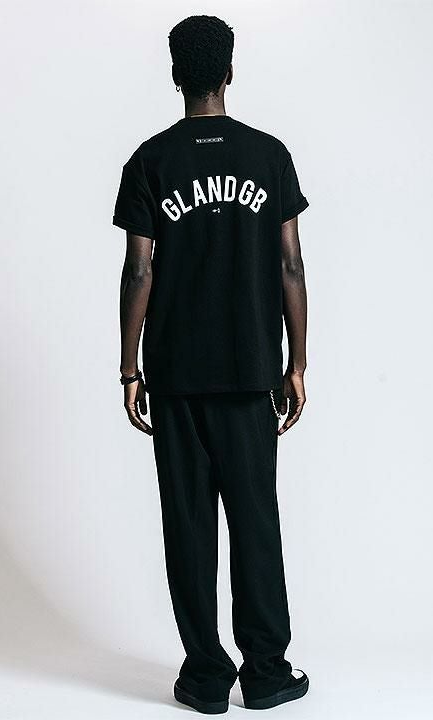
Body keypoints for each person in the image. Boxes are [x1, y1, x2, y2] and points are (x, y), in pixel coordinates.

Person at [112, 15, 309, 714]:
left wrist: (129, 368)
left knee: (189, 527)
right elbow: (290, 263)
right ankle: (267, 672)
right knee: (256, 521)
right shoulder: (269, 156)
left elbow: (140, 270)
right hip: (251, 370)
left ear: (176, 75)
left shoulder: (149, 161)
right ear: (229, 71)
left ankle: (204, 678)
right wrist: (298, 363)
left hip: (175, 376)